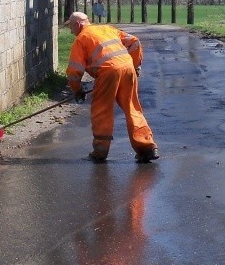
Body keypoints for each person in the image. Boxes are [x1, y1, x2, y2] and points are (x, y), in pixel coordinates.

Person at [65, 11, 160, 163]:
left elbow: (74, 71)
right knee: (132, 107)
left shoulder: (82, 39)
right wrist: (135, 66)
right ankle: (147, 147)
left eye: (71, 27)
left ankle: (100, 151)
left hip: (107, 71)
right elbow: (134, 42)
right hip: (127, 67)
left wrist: (77, 90)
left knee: (101, 109)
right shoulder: (107, 29)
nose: (71, 31)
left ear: (78, 24)